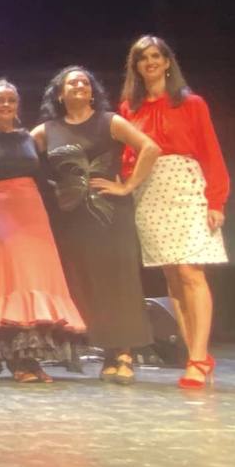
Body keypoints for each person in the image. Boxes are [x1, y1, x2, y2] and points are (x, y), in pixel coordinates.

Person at [32, 66, 159, 384]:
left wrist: (127, 186)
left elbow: (150, 147)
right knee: (85, 283)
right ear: (60, 93)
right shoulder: (48, 129)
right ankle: (106, 352)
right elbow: (15, 151)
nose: (79, 85)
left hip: (109, 215)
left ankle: (124, 353)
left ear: (92, 91)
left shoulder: (109, 121)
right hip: (70, 218)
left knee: (118, 282)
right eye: (71, 82)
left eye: (85, 81)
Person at [0, 80, 87, 382]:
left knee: (39, 278)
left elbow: (39, 175)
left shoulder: (27, 138)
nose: (5, 105)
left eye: (10, 100)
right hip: (0, 210)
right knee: (13, 280)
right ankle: (17, 360)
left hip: (32, 210)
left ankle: (34, 360)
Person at [119, 35, 229, 390]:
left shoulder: (192, 103)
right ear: (135, 66)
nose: (149, 62)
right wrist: (125, 185)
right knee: (172, 277)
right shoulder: (128, 109)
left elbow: (211, 152)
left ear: (167, 62)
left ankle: (199, 356)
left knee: (191, 272)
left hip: (186, 186)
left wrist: (216, 200)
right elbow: (128, 157)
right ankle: (194, 356)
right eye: (142, 58)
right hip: (150, 192)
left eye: (155, 56)